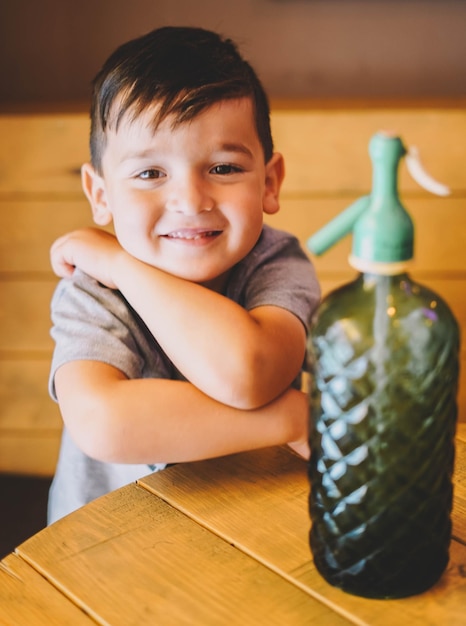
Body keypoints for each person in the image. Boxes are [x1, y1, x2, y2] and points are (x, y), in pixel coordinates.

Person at [47, 26, 320, 524]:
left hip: (256, 519)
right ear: (101, 195)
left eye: (223, 168)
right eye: (151, 174)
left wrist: (122, 265)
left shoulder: (277, 264)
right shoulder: (93, 290)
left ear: (269, 182)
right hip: (108, 550)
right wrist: (291, 418)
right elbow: (102, 421)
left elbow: (249, 372)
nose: (191, 201)